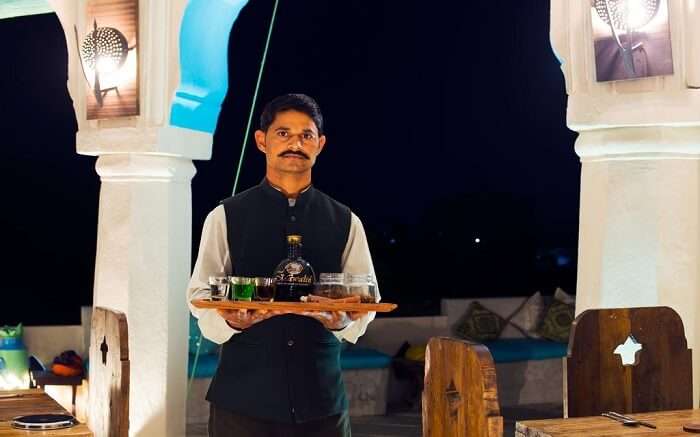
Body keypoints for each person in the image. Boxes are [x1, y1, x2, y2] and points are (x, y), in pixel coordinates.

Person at [187, 93, 379, 437]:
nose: (295, 143)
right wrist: (230, 323)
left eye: (306, 135)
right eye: (283, 133)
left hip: (321, 404)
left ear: (320, 144)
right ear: (262, 141)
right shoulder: (225, 216)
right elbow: (200, 294)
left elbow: (366, 300)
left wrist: (341, 323)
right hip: (242, 405)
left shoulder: (346, 221)